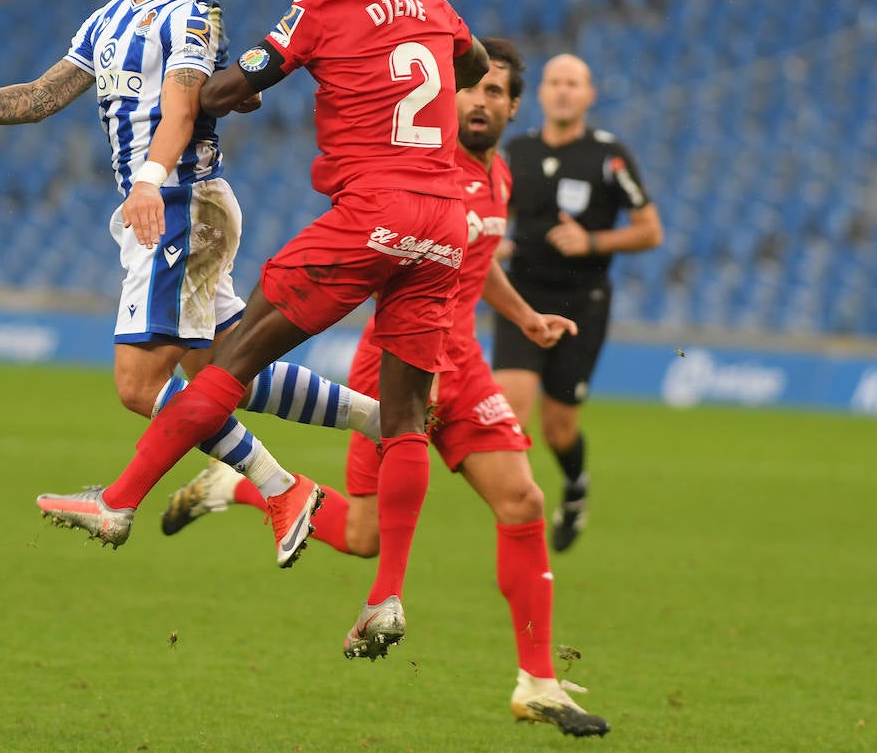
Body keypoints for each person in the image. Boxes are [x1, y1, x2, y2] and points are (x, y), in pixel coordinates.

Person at [36, 0, 489, 643]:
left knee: (228, 361)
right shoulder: (435, 7)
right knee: (407, 420)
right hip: (444, 226)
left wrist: (203, 96)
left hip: (371, 213)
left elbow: (232, 85)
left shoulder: (317, 2)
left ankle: (119, 501)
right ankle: (385, 600)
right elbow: (468, 60)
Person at [0, 0, 382, 561]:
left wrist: (151, 181)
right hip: (175, 205)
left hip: (181, 201)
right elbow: (41, 96)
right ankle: (383, 418)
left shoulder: (194, 16)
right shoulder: (107, 18)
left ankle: (279, 488)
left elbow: (182, 108)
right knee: (221, 366)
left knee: (140, 386)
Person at [159, 39, 610, 736]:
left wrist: (524, 316)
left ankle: (538, 681)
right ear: (449, 92)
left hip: (464, 364)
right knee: (366, 536)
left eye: (495, 93)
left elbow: (478, 253)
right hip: (399, 363)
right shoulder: (425, 169)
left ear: (514, 107)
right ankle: (237, 488)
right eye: (472, 89)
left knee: (522, 499)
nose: (480, 102)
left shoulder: (500, 179)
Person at [490, 54, 664, 552]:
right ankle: (520, 514)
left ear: (589, 95)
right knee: (509, 411)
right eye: (555, 83)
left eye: (574, 84)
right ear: (541, 95)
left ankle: (574, 487)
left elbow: (651, 231)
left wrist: (592, 243)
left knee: (559, 429)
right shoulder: (514, 152)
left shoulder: (608, 156)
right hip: (523, 299)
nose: (564, 92)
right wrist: (495, 238)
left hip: (582, 303)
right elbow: (496, 214)